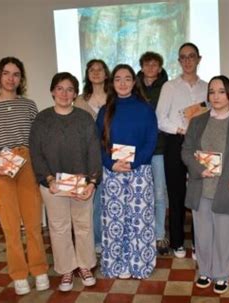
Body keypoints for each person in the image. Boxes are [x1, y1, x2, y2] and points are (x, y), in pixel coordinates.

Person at [0, 57, 49, 295]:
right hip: (2, 166)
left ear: (21, 79)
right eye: (7, 73)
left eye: (16, 74)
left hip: (27, 164)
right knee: (10, 226)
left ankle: (39, 269)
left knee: (34, 222)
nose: (11, 78)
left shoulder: (29, 105)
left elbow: (37, 139)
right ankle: (18, 275)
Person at [182, 75, 229, 294]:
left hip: (227, 189)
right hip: (201, 187)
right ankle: (205, 270)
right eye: (212, 92)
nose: (216, 96)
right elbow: (186, 151)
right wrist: (198, 169)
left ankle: (223, 273)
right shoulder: (197, 121)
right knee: (203, 235)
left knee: (225, 235)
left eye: (221, 91)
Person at [29, 72, 101, 292]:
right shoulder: (42, 119)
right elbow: (36, 153)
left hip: (81, 183)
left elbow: (93, 151)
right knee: (59, 227)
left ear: (75, 93)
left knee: (83, 224)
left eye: (70, 89)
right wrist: (48, 179)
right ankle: (66, 269)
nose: (64, 93)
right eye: (60, 88)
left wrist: (93, 181)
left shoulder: (84, 118)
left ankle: (85, 266)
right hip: (53, 185)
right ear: (52, 91)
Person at [96, 64, 158, 279]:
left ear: (134, 82)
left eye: (127, 78)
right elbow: (98, 142)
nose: (123, 83)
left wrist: (133, 163)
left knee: (139, 219)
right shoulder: (105, 110)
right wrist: (109, 163)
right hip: (112, 172)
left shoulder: (146, 109)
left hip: (139, 171)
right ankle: (118, 263)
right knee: (115, 220)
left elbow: (151, 141)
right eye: (118, 79)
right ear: (112, 83)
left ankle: (139, 263)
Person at [156, 42, 208, 258]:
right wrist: (180, 129)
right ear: (179, 61)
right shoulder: (169, 87)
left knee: (200, 195)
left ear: (199, 59)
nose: (187, 61)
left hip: (202, 144)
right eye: (183, 57)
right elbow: (160, 118)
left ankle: (198, 242)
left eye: (191, 56)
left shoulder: (207, 86)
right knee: (176, 195)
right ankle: (177, 242)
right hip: (176, 142)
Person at [74, 59, 110, 255]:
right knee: (93, 203)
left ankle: (110, 238)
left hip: (111, 157)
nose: (96, 72)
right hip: (87, 158)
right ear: (87, 74)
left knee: (109, 201)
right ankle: (96, 241)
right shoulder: (79, 100)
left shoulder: (114, 97)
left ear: (106, 74)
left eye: (100, 69)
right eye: (92, 69)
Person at [136, 51, 170, 255]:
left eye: (154, 64)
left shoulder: (167, 87)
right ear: (141, 67)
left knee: (159, 192)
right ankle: (142, 233)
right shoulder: (133, 86)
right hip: (137, 149)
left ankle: (159, 235)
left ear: (160, 67)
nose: (150, 68)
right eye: (147, 64)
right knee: (140, 193)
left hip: (159, 148)